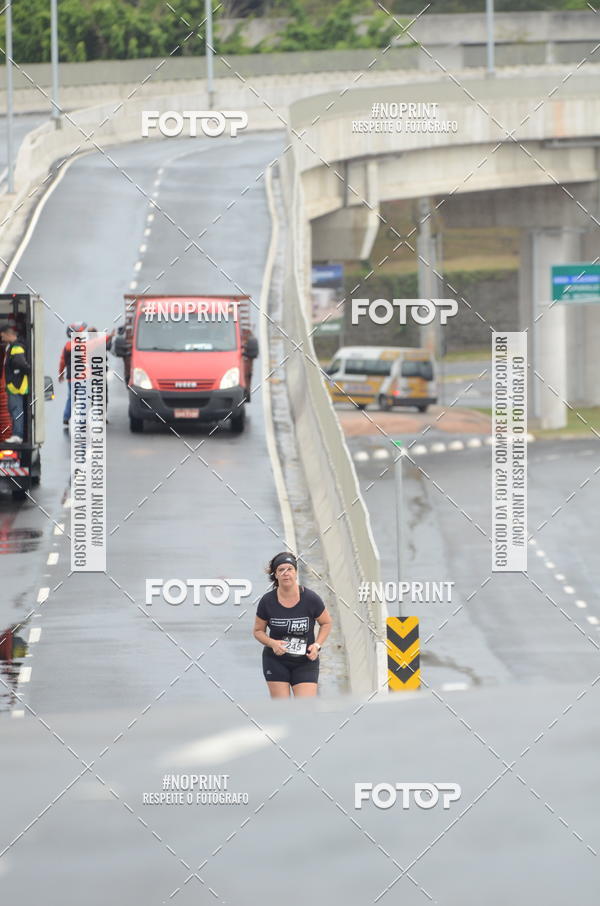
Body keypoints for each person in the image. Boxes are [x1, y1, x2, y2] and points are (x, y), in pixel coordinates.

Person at [253, 552, 332, 699]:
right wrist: (273, 643)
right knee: (283, 711)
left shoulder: (311, 599)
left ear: (296, 573)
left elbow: (326, 623)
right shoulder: (267, 601)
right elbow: (258, 631)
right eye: (281, 570)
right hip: (276, 661)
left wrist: (317, 645)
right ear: (275, 575)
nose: (285, 573)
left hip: (305, 661)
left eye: (289, 569)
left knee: (306, 709)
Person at [0, 324, 30, 443]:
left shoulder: (16, 347)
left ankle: (18, 435)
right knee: (14, 410)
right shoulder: (12, 346)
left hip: (16, 386)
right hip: (15, 385)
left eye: (2, 336)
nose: (1, 339)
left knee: (16, 410)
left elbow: (21, 364)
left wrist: (15, 378)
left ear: (8, 334)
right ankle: (17, 434)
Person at [58, 322, 87, 427]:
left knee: (71, 397)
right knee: (82, 398)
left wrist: (60, 373)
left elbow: (62, 361)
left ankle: (66, 417)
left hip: (71, 377)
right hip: (81, 376)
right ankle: (82, 420)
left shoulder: (67, 346)